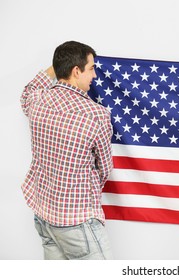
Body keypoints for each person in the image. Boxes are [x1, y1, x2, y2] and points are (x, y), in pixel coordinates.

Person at [20, 41, 114, 259]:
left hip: (44, 215)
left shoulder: (38, 100)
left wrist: (57, 65)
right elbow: (105, 168)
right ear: (76, 70)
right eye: (91, 68)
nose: (95, 75)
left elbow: (28, 91)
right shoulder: (96, 114)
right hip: (76, 221)